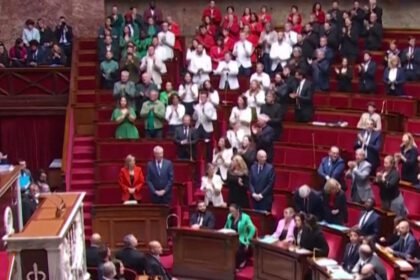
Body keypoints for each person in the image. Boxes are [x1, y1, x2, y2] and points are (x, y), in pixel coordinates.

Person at [224, 203, 256, 269]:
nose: (231, 213)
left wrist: (248, 240)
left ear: (237, 210)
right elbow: (226, 227)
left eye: (232, 211)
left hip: (242, 239)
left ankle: (237, 266)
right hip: (230, 238)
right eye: (230, 211)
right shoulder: (229, 216)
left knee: (237, 248)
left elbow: (253, 229)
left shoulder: (245, 217)